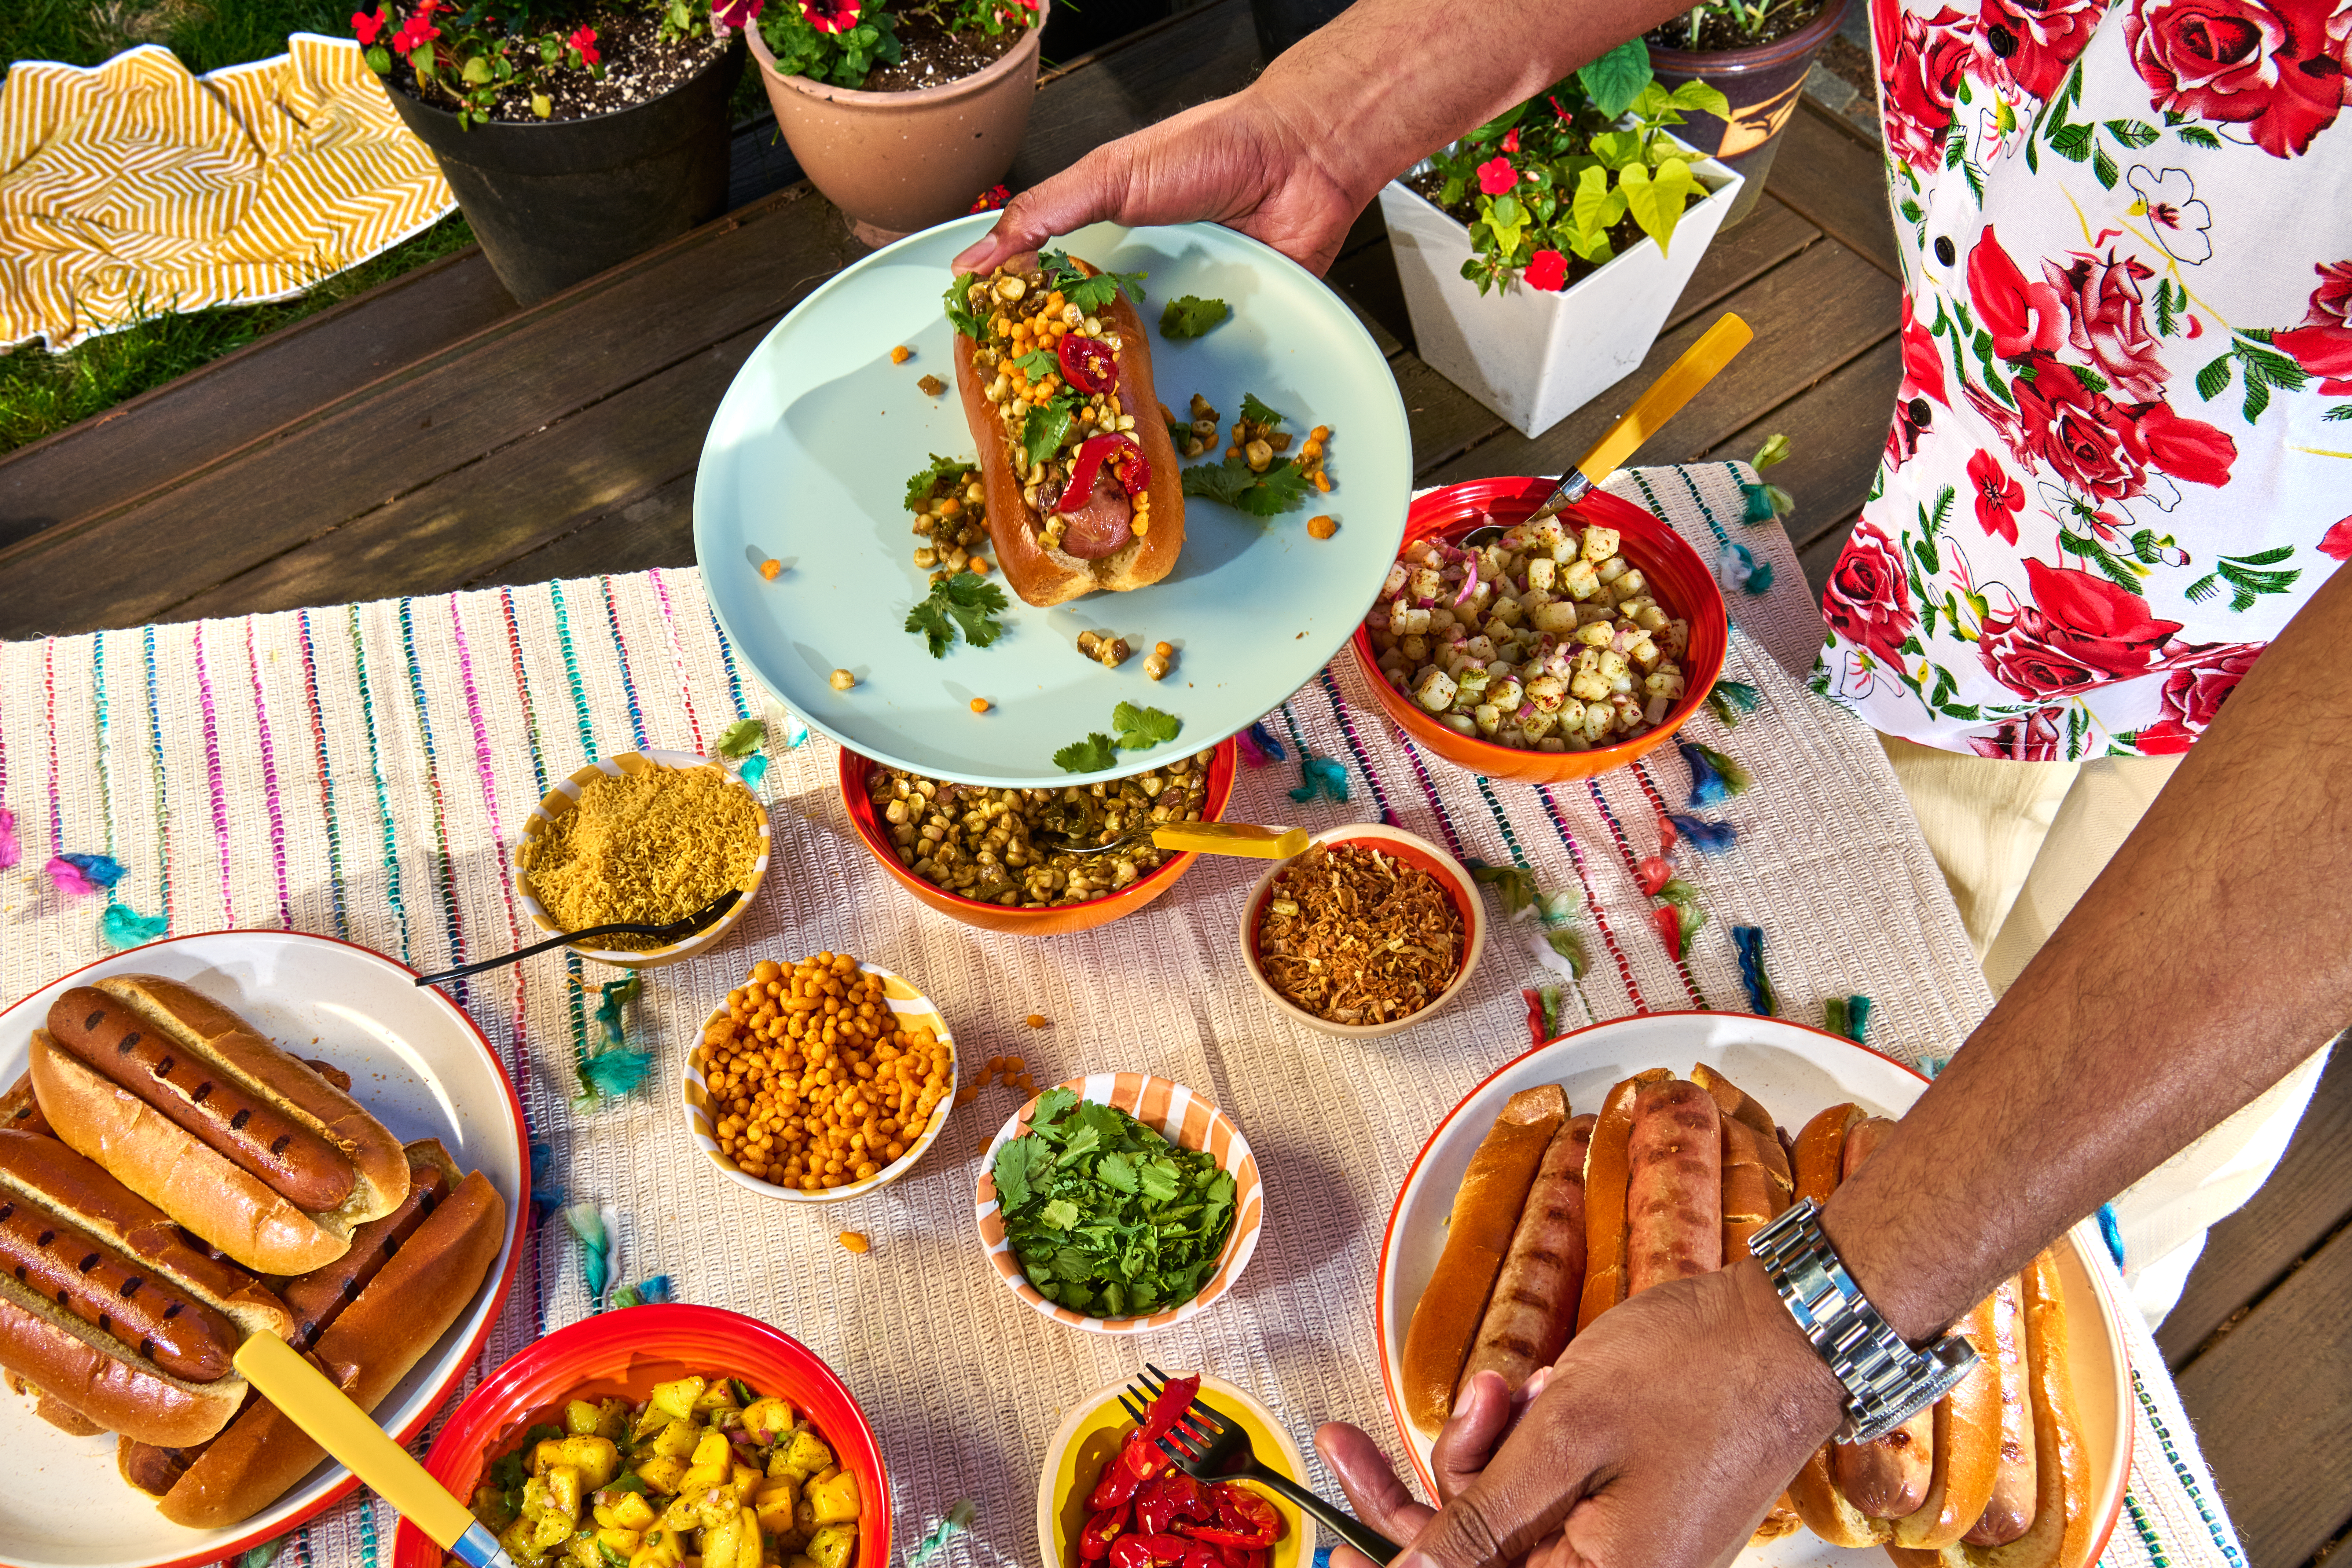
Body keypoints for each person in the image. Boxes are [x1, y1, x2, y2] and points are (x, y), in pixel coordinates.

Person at [955, 0, 2352, 1559]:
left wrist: (1812, 1335)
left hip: (2277, 799)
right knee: (1822, 1086)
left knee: (2080, 1280)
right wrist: (1328, 116)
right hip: (1961, 581)